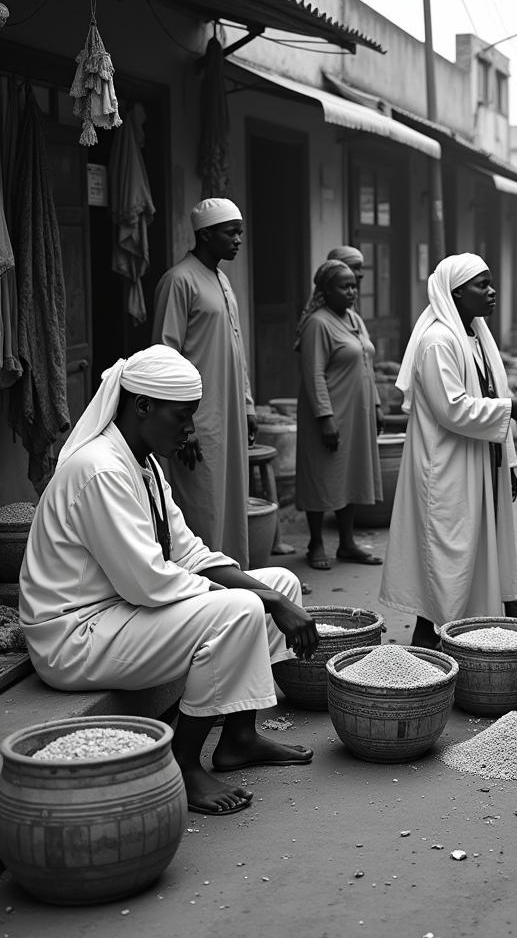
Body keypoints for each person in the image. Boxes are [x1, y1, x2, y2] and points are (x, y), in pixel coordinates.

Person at [19, 345, 319, 817]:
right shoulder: (99, 470)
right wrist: (258, 600)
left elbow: (188, 553)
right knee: (241, 608)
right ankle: (182, 762)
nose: (189, 430)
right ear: (142, 407)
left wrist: (269, 593)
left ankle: (239, 738)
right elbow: (150, 584)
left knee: (280, 581)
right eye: (181, 417)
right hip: (74, 637)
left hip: (121, 611)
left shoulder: (146, 465)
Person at [379, 253, 517, 649]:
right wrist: (512, 411)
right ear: (456, 294)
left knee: (474, 559)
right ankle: (427, 654)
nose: (492, 292)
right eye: (482, 285)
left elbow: (493, 392)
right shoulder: (438, 341)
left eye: (490, 283)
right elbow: (453, 407)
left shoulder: (476, 337)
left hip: (480, 462)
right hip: (446, 468)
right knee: (445, 563)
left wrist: (507, 462)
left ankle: (467, 647)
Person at [152, 197, 255, 567]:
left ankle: (235, 573)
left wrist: (247, 404)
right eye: (231, 232)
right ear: (206, 234)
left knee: (230, 497)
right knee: (201, 499)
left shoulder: (222, 279)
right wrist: (184, 421)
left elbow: (236, 346)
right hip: (198, 417)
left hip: (229, 411)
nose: (238, 240)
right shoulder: (178, 280)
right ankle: (204, 582)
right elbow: (165, 354)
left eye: (240, 232)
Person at [295, 259, 383, 570]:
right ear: (324, 290)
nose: (351, 291)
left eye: (354, 286)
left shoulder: (355, 320)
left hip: (357, 412)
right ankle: (316, 543)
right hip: (329, 412)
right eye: (343, 286)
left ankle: (347, 543)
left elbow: (366, 365)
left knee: (352, 474)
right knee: (322, 475)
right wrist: (324, 417)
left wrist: (375, 404)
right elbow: (313, 374)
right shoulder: (317, 323)